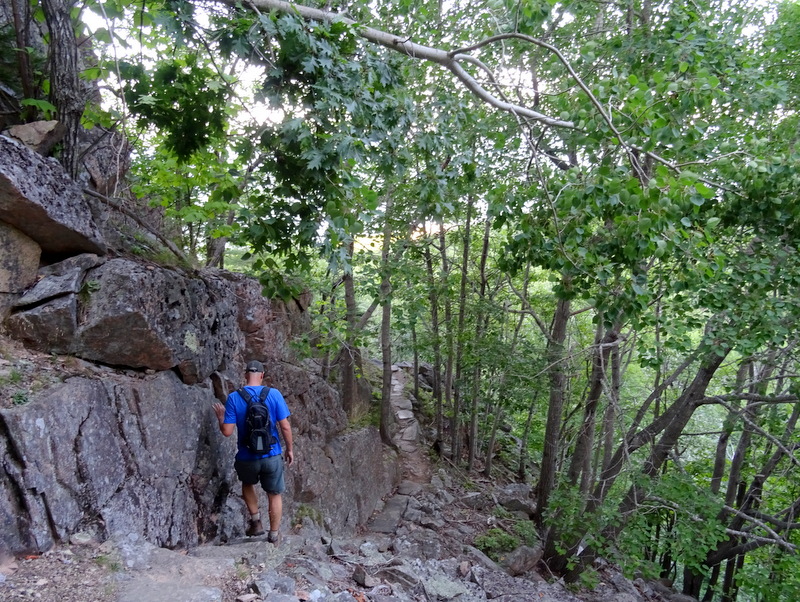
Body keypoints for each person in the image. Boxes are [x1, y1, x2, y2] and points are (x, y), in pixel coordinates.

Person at [213, 360, 294, 542]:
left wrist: (220, 418)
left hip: (246, 456)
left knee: (248, 484)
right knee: (274, 494)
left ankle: (256, 522)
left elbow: (227, 432)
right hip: (272, 455)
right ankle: (273, 535)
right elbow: (285, 427)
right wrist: (289, 449)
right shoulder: (274, 394)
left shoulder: (234, 397)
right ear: (262, 375)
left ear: (245, 375)